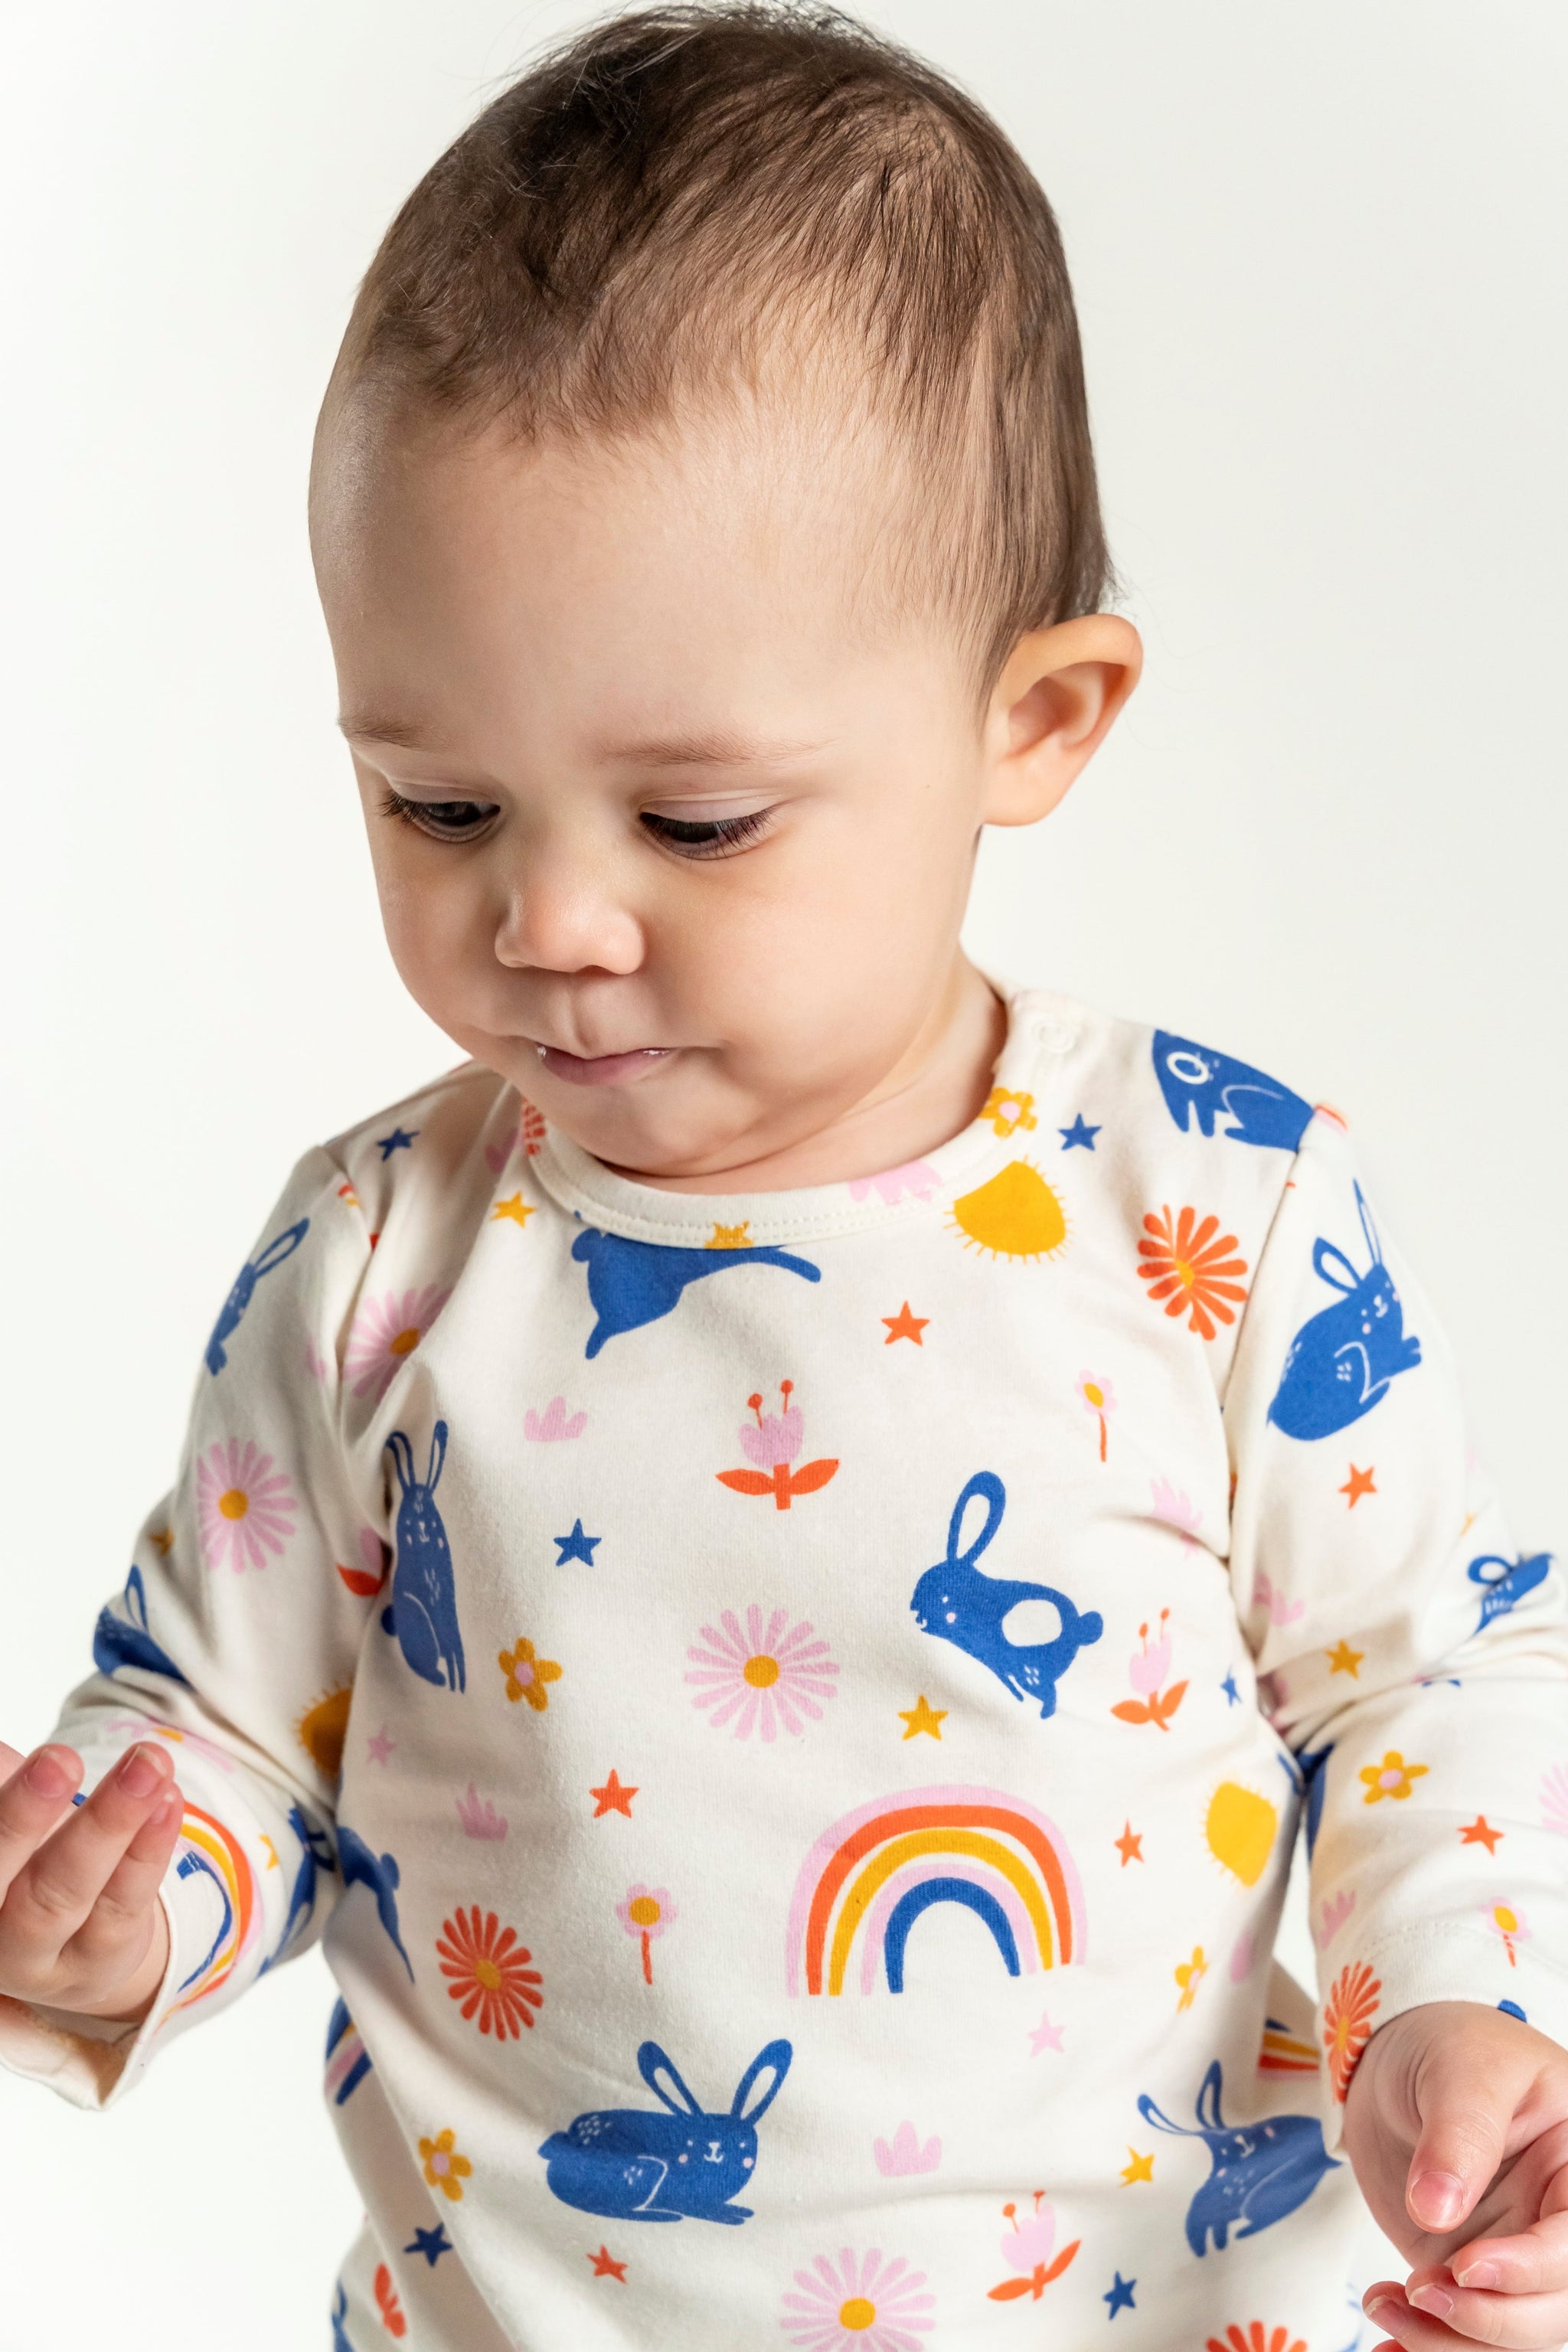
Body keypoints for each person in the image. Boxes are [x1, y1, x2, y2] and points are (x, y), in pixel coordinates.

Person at [2, 8, 1563, 2347]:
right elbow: (226, 1730)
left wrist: (1460, 2000)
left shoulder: (1212, 1213)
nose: (548, 920)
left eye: (698, 821)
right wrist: (123, 1901)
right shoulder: (378, 1265)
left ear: (1028, 723)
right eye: (441, 806)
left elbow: (1422, 1676)